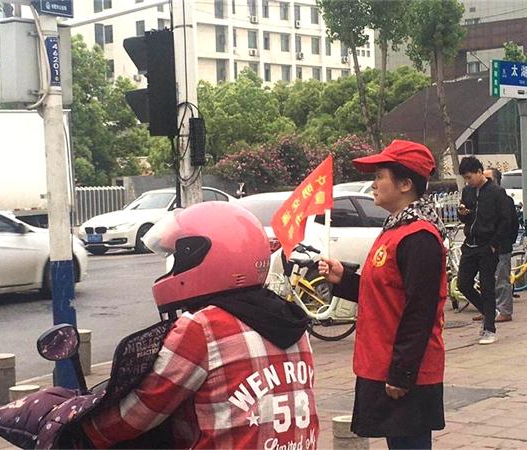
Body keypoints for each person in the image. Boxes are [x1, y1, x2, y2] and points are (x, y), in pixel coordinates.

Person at [81, 202, 320, 449]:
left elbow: (137, 415)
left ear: (204, 258)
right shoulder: (294, 323)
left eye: (179, 259)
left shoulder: (203, 328)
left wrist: (76, 428)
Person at [318, 139, 446, 450]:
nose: (373, 184)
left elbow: (420, 311)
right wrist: (343, 279)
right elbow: (384, 294)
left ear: (405, 184)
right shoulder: (395, 229)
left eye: (379, 176)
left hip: (406, 370)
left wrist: (402, 373)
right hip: (383, 361)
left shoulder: (419, 237)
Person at [457, 157, 511, 345]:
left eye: (469, 177)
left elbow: (506, 220)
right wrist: (463, 214)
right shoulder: (467, 192)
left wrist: (495, 243)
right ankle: (489, 311)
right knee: (463, 283)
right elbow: (467, 217)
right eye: (465, 178)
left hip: (488, 245)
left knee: (487, 285)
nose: (468, 181)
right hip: (470, 244)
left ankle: (489, 329)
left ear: (480, 172)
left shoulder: (496, 192)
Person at [471, 168, 517, 323]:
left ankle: (504, 311)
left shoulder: (504, 199)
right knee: (486, 280)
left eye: (488, 178)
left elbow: (510, 223)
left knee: (501, 279)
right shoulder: (481, 198)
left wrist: (505, 241)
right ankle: (488, 310)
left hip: (501, 246)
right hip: (485, 246)